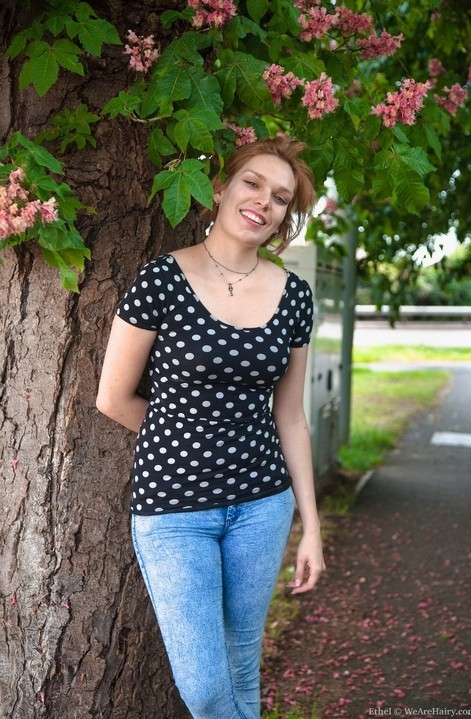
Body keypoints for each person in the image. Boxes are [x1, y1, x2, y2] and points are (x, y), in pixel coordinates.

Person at [96, 135, 326, 719]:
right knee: (203, 687)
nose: (263, 202)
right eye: (252, 183)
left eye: (280, 197)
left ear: (283, 217)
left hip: (262, 505)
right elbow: (113, 398)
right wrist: (184, 435)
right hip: (175, 512)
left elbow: (291, 416)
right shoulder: (161, 280)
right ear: (220, 187)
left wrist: (312, 529)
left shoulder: (294, 296)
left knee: (243, 663)